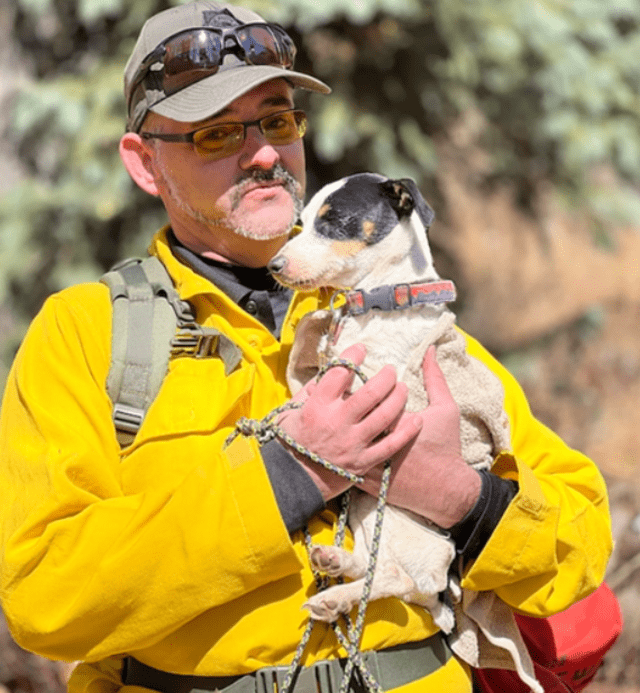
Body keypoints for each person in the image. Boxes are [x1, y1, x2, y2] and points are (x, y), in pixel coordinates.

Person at [0, 2, 612, 693]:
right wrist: (289, 474)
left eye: (278, 120)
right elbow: (45, 599)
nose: (264, 152)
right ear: (145, 164)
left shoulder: (399, 321)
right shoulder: (85, 334)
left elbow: (581, 540)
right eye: (217, 134)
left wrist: (459, 497)